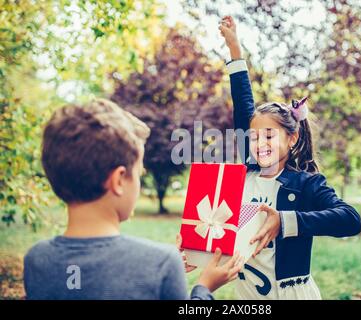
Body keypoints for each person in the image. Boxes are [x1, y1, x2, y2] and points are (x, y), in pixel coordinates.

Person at [23, 98, 242, 300]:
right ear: (119, 180)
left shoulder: (37, 260)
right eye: (139, 173)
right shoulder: (162, 264)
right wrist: (203, 288)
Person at [219, 16, 361, 300]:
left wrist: (286, 222)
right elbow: (243, 105)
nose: (260, 143)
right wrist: (235, 49)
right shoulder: (244, 176)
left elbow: (350, 219)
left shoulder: (306, 184)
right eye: (255, 137)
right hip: (247, 296)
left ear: (291, 138)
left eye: (270, 136)